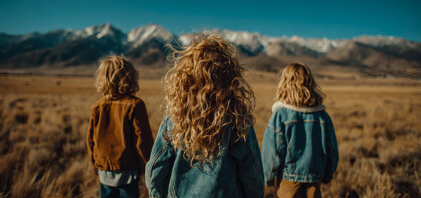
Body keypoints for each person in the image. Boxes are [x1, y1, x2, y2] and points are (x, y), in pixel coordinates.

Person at [145, 34, 264, 198]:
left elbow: (157, 164)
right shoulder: (236, 118)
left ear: (186, 77)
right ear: (230, 77)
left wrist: (156, 194)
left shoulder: (174, 117)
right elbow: (251, 170)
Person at [261, 63, 339, 198]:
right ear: (310, 83)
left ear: (285, 83)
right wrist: (328, 174)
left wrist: (267, 176)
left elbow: (272, 151)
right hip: (315, 177)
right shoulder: (322, 116)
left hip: (288, 179)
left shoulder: (280, 115)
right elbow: (332, 150)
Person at [87, 55, 154, 198]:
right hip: (128, 169)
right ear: (130, 77)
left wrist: (96, 165)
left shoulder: (97, 107)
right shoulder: (136, 105)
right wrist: (148, 166)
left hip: (104, 169)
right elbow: (144, 141)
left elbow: (90, 141)